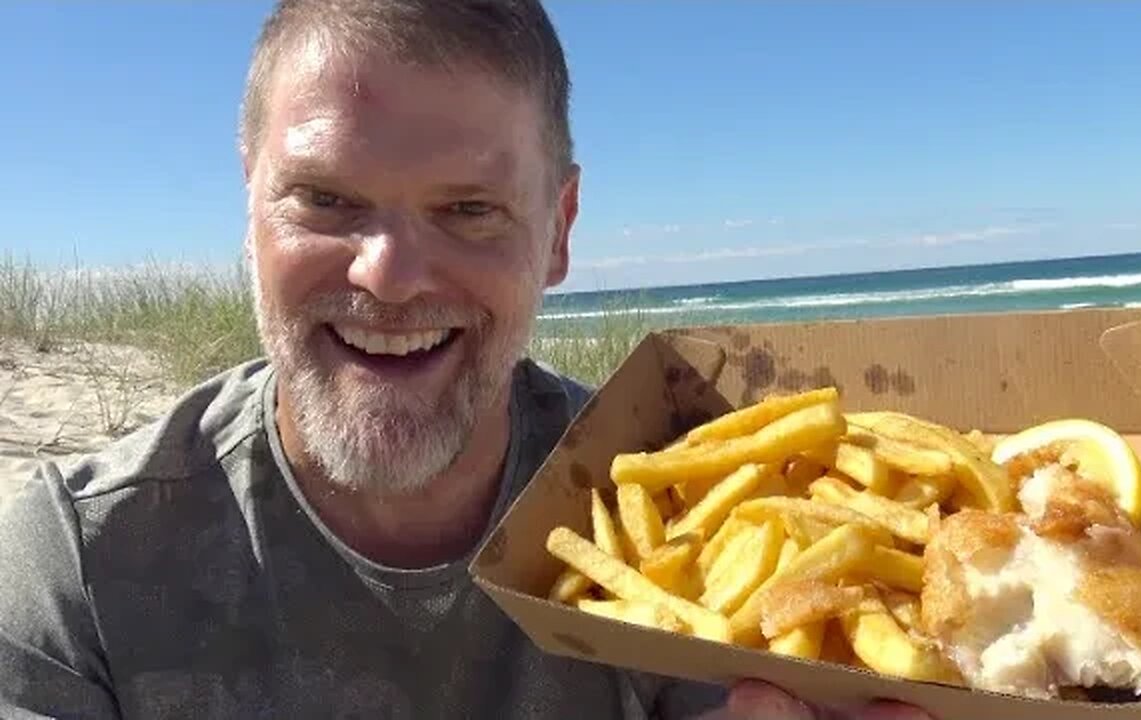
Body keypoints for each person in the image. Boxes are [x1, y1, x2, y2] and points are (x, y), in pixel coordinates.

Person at [0, 1, 930, 718]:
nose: (391, 276)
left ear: (559, 231)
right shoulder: (81, 569)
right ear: (250, 207)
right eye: (324, 199)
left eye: (469, 209)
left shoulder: (693, 530)